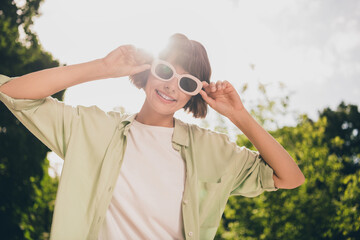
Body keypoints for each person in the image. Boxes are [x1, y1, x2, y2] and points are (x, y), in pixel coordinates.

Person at [0, 33, 305, 240]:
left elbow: (290, 177)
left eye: (186, 82)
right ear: (148, 71)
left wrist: (239, 115)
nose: (171, 86)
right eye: (165, 70)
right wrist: (104, 67)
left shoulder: (211, 149)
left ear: (194, 94)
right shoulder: (93, 130)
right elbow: (12, 93)